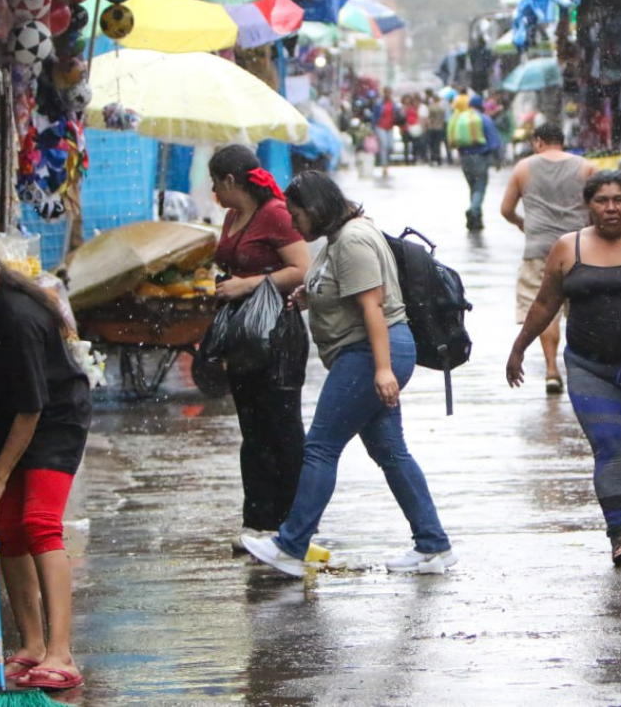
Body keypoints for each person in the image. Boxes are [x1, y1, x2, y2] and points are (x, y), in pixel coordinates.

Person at [241, 172, 455, 577]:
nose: (293, 223)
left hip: (371, 352)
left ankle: (291, 545)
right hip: (373, 352)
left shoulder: (353, 239)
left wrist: (381, 370)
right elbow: (343, 290)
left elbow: (372, 307)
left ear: (316, 208)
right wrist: (311, 297)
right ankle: (433, 545)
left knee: (321, 445)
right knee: (390, 451)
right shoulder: (339, 238)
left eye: (296, 214)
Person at [506, 171, 621, 566]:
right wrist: (519, 348)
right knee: (612, 444)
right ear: (587, 206)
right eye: (602, 201)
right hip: (590, 367)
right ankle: (619, 534)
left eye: (619, 200)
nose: (611, 208)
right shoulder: (566, 248)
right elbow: (544, 303)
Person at [0, 237, 91, 691]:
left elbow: (33, 408)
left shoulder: (21, 317)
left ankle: (60, 652)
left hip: (54, 417)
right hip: (8, 417)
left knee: (38, 522)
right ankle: (30, 647)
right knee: (7, 527)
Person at [209, 145, 312, 551]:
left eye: (216, 183)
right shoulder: (234, 216)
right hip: (242, 336)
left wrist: (249, 284)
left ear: (231, 181)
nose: (213, 191)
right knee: (252, 430)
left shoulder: (276, 214)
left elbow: (303, 268)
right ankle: (258, 523)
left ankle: (293, 525)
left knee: (283, 429)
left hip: (277, 335)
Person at [500, 121, 596, 393]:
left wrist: (523, 224)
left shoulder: (524, 168)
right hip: (579, 250)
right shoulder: (586, 167)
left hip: (539, 249)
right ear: (561, 141)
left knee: (545, 311)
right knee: (580, 311)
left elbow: (506, 209)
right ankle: (585, 371)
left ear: (538, 141)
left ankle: (552, 369)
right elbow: (598, 207)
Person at [448, 93, 501, 231]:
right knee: (480, 186)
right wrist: (497, 159)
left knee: (472, 186)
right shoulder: (484, 119)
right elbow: (494, 142)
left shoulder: (461, 118)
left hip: (464, 158)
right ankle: (473, 209)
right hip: (480, 157)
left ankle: (476, 219)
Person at [373, 87, 396, 178]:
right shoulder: (379, 103)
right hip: (380, 126)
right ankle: (384, 166)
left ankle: (387, 161)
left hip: (390, 127)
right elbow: (374, 115)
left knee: (390, 146)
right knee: (384, 145)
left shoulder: (393, 103)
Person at [424, 89, 446, 166]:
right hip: (439, 127)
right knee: (438, 144)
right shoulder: (442, 108)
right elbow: (443, 118)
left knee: (431, 144)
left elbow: (429, 118)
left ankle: (433, 158)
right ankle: (438, 158)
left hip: (432, 128)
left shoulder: (431, 107)